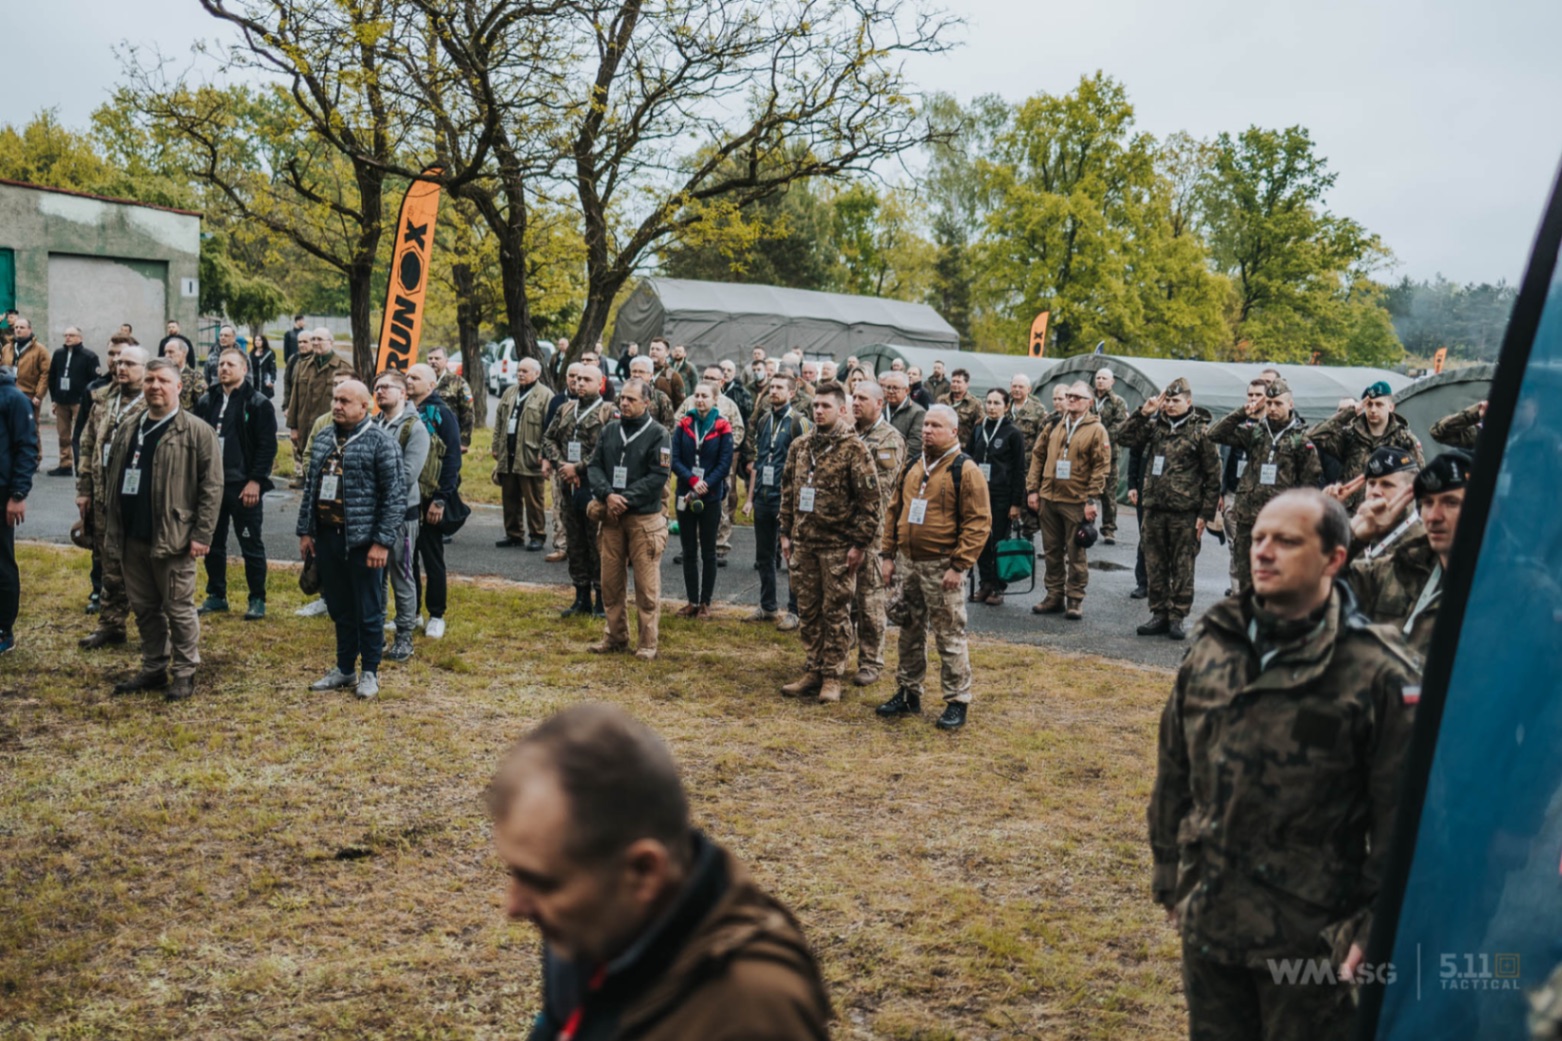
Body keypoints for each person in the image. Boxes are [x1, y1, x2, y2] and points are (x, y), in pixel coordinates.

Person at [1149, 488, 1418, 1041]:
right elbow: (1174, 766)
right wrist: (1169, 872)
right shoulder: (1215, 640)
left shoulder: (1376, 670)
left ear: (1333, 559)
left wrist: (1376, 924)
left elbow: (1405, 819)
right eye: (1258, 539)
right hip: (1213, 915)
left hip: (1312, 936)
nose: (1264, 552)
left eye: (1287, 541)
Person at [486, 704, 832, 1040]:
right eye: (515, 873)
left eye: (543, 883)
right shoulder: (594, 918)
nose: (513, 907)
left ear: (644, 873)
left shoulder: (752, 1018)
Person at [104, 359, 223, 701]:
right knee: (144, 608)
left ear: (179, 387)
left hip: (174, 538)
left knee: (179, 609)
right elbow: (113, 475)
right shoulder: (130, 426)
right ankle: (153, 667)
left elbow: (212, 487)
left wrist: (202, 534)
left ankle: (185, 672)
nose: (155, 386)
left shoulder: (197, 431)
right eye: (150, 380)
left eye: (163, 380)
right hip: (132, 536)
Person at [876, 404, 991, 730]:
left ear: (954, 432)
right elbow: (893, 510)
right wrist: (888, 556)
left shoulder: (964, 470)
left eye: (935, 426)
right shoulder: (914, 465)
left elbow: (979, 522)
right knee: (909, 631)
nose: (927, 430)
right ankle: (908, 692)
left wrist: (959, 565)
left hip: (942, 567)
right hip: (909, 563)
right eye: (925, 424)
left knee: (949, 635)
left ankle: (957, 701)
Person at [297, 379, 405, 699]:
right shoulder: (324, 438)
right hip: (329, 538)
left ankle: (369, 672)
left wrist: (382, 542)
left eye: (345, 401)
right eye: (335, 399)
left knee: (369, 609)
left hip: (364, 542)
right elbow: (311, 489)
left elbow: (394, 497)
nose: (337, 406)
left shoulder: (380, 442)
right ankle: (345, 668)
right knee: (340, 607)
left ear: (364, 407)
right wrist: (306, 530)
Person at [777, 382, 881, 704]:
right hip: (804, 544)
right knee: (808, 611)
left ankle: (833, 675)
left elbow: (870, 503)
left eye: (826, 406)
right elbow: (788, 492)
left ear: (842, 410)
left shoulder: (855, 449)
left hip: (838, 547)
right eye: (816, 406)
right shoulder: (800, 447)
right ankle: (813, 668)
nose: (819, 411)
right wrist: (785, 533)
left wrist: (858, 545)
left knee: (835, 613)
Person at [1117, 378, 1221, 641]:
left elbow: (1213, 477)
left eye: (1176, 401)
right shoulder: (1155, 428)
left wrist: (1205, 515)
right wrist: (1145, 411)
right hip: (1154, 508)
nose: (1171, 405)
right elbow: (1123, 437)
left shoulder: (1201, 432)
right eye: (1168, 400)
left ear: (1188, 402)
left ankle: (1177, 617)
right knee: (1155, 563)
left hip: (1185, 512)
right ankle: (1159, 613)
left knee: (1183, 566)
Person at [1348, 450, 1470, 659]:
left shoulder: (1515, 589)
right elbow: (1312, 592)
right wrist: (1354, 538)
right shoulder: (1400, 568)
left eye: (1451, 503)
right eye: (1428, 503)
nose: (1433, 517)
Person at [1207, 378, 1322, 596]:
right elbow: (1214, 433)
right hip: (1248, 517)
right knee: (1246, 576)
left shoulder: (1301, 438)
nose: (1272, 408)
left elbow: (1309, 485)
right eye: (1269, 403)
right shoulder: (1256, 433)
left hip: (1281, 521)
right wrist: (1243, 411)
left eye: (1278, 403)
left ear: (1290, 404)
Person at [586, 378, 671, 659]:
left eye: (631, 399)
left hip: (643, 520)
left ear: (646, 403)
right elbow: (595, 466)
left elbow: (658, 476)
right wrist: (608, 494)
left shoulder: (659, 434)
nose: (623, 403)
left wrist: (627, 499)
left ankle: (647, 643)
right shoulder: (610, 430)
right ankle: (615, 636)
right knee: (610, 583)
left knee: (646, 588)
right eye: (622, 398)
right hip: (611, 517)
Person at [193, 348, 277, 620]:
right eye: (220, 364)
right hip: (211, 486)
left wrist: (256, 481)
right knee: (212, 542)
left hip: (242, 486)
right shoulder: (207, 400)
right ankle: (216, 595)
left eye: (230, 364)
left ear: (244, 369)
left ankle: (257, 598)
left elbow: (267, 446)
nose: (223, 368)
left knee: (250, 544)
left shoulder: (258, 403)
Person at [76, 345, 150, 648]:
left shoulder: (153, 401)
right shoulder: (103, 399)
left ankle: (152, 633)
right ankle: (111, 625)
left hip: (137, 499)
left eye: (129, 363)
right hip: (104, 494)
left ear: (144, 368)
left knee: (142, 565)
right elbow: (87, 443)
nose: (121, 368)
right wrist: (84, 490)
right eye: (118, 362)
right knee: (108, 561)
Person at [1027, 381, 1111, 620]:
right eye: (1069, 395)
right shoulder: (1054, 423)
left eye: (1077, 396)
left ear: (1089, 403)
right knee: (1052, 551)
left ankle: (1074, 598)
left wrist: (1091, 499)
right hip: (1048, 497)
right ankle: (1054, 596)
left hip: (1076, 500)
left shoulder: (1096, 430)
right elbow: (1038, 455)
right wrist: (1033, 489)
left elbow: (1101, 467)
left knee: (1075, 553)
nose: (1071, 399)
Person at [370, 370, 429, 663]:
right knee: (375, 576)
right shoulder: (373, 424)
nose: (379, 392)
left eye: (386, 387)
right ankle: (376, 634)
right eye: (376, 388)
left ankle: (404, 636)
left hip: (402, 516)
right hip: (374, 514)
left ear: (403, 393)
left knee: (402, 576)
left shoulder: (414, 428)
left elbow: (406, 476)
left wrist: (370, 483)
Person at [544, 364, 612, 617]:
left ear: (600, 383)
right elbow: (547, 439)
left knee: (597, 544)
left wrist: (578, 467)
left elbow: (607, 449)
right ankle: (580, 597)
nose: (579, 383)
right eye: (577, 379)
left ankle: (602, 601)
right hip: (568, 485)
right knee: (575, 542)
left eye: (586, 379)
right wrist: (561, 464)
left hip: (593, 486)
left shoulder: (609, 412)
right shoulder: (565, 409)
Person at [848, 380, 905, 685]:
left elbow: (879, 492)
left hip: (873, 533)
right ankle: (842, 646)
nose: (855, 403)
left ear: (880, 403)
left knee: (870, 599)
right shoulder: (847, 432)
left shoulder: (888, 439)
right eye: (853, 397)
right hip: (842, 529)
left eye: (862, 398)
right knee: (843, 597)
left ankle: (871, 661)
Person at [742, 374, 808, 629]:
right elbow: (759, 462)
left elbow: (807, 463)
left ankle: (794, 610)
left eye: (780, 387)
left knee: (791, 554)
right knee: (764, 554)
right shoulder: (764, 420)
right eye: (772, 387)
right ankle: (768, 606)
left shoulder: (799, 422)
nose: (774, 391)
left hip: (787, 499)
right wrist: (751, 497)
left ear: (792, 393)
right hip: (764, 496)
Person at [406, 363, 463, 639]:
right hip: (406, 500)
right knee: (407, 558)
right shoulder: (404, 411)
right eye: (407, 376)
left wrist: (440, 499)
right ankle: (412, 613)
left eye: (415, 377)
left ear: (430, 385)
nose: (408, 380)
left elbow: (453, 459)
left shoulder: (442, 414)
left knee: (432, 558)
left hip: (430, 499)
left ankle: (436, 615)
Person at [670, 383, 734, 619]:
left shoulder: (722, 426)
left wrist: (705, 485)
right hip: (686, 493)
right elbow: (675, 459)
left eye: (704, 396)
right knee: (688, 550)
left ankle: (706, 602)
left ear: (715, 400)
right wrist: (692, 480)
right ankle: (691, 601)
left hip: (711, 495)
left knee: (708, 550)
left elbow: (724, 463)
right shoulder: (685, 424)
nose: (699, 400)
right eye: (696, 395)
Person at [1307, 381, 1424, 508]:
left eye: (1379, 404)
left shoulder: (1404, 440)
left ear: (1391, 407)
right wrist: (1348, 413)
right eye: (1369, 404)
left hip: (1388, 511)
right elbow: (1314, 436)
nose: (1373, 410)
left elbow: (1419, 480)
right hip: (1352, 513)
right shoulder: (1350, 436)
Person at [970, 388, 1027, 607]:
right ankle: (985, 582)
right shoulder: (978, 428)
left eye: (997, 403)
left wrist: (1016, 503)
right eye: (989, 402)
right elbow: (968, 457)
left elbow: (1019, 469)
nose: (991, 407)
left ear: (1006, 406)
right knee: (980, 540)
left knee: (998, 541)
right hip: (978, 494)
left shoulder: (1012, 432)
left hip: (1002, 495)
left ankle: (998, 585)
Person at [0, 358, 40, 653]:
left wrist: (17, 494)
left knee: (1, 562)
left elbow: (27, 447)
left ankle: (4, 629)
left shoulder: (13, 398)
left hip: (2, 492)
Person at [492, 357, 550, 550]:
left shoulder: (545, 395)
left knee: (533, 498)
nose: (520, 374)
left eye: (525, 371)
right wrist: (496, 446)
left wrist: (545, 454)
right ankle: (514, 534)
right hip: (508, 454)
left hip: (530, 454)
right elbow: (499, 420)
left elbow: (549, 429)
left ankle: (537, 535)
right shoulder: (510, 392)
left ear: (537, 373)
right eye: (519, 370)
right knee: (509, 496)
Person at [691, 363, 746, 567]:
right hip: (696, 463)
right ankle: (694, 545)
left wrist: (725, 447)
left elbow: (739, 431)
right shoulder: (692, 401)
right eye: (705, 376)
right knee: (694, 502)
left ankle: (720, 546)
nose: (708, 381)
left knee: (720, 504)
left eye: (713, 378)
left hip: (719, 463)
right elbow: (680, 424)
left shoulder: (729, 405)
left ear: (722, 382)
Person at [285, 329, 353, 489]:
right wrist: (293, 426)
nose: (315, 343)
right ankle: (305, 480)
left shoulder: (343, 367)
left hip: (329, 425)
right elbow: (294, 398)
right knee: (305, 455)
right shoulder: (302, 366)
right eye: (313, 339)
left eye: (320, 339)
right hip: (305, 423)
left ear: (331, 342)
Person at [1331, 447, 1422, 560]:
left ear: (1410, 491)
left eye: (1387, 484)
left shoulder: (1426, 540)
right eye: (1372, 484)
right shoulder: (1350, 530)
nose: (1375, 492)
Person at [1091, 368, 1129, 544]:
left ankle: (1109, 529)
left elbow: (1119, 426)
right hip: (1087, 453)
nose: (1100, 381)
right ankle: (1085, 524)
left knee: (1108, 493)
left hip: (1109, 455)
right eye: (1098, 377)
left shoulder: (1117, 402)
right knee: (1086, 490)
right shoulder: (1087, 398)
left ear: (1112, 382)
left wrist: (1100, 435)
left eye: (1104, 378)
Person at [1, 317, 49, 429]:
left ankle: (34, 447)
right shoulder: (7, 348)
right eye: (16, 327)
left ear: (30, 329)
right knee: (8, 427)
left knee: (30, 427)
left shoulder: (40, 350)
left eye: (22, 327)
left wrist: (39, 395)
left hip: (29, 394)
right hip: (9, 392)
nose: (18, 330)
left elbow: (45, 373)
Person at [428, 346, 475, 448]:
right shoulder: (423, 381)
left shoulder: (458, 382)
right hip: (426, 436)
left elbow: (467, 412)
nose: (433, 361)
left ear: (446, 360)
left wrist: (464, 441)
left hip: (449, 436)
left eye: (437, 358)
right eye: (430, 358)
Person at [880, 370, 925, 462]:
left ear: (907, 390)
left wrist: (889, 460)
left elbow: (914, 446)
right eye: (888, 388)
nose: (891, 391)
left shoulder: (918, 413)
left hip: (901, 464)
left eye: (895, 388)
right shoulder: (879, 409)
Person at [937, 368, 980, 450]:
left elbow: (979, 428)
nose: (955, 384)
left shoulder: (975, 404)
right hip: (943, 446)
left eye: (958, 382)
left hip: (963, 448)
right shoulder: (941, 400)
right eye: (953, 381)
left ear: (967, 384)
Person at [629, 356, 676, 429]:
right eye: (634, 371)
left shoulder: (661, 398)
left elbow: (669, 428)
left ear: (650, 375)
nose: (636, 375)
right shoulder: (622, 397)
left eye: (641, 372)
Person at [161, 336, 203, 412]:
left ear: (183, 353)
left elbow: (201, 405)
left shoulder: (195, 377)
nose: (167, 356)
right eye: (165, 352)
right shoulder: (160, 375)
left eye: (171, 352)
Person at [648, 337, 685, 408]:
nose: (653, 351)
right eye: (652, 349)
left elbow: (681, 404)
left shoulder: (673, 375)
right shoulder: (643, 372)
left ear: (667, 353)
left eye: (658, 349)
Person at [246, 332, 278, 399]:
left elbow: (272, 368)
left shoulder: (269, 353)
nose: (257, 342)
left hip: (264, 382)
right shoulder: (251, 354)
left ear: (263, 341)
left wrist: (272, 380)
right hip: (253, 382)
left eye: (259, 340)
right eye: (256, 340)